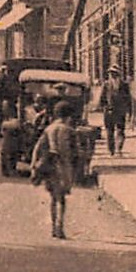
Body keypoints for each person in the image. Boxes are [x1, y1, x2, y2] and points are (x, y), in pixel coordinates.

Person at [30, 99, 80, 239]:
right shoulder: (70, 131)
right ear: (68, 116)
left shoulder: (49, 129)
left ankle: (53, 227)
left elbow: (38, 148)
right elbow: (77, 152)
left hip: (50, 166)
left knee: (53, 198)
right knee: (61, 199)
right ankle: (60, 226)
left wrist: (34, 166)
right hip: (63, 167)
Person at [97, 65, 130, 155]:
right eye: (111, 73)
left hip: (120, 111)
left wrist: (128, 110)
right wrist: (103, 107)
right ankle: (111, 150)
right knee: (109, 131)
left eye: (114, 73)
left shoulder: (124, 85)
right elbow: (102, 98)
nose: (112, 75)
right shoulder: (106, 85)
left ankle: (119, 148)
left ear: (118, 74)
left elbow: (128, 98)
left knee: (120, 130)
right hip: (109, 111)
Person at [0, 64, 19, 138]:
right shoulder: (4, 78)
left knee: (0, 114)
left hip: (4, 97)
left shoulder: (7, 78)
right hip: (0, 97)